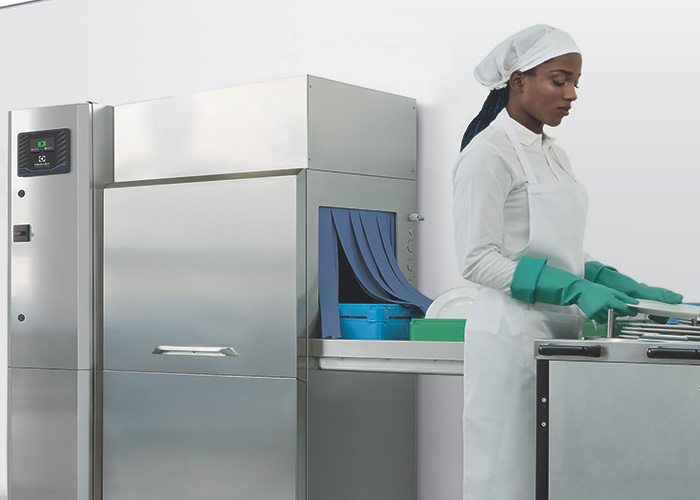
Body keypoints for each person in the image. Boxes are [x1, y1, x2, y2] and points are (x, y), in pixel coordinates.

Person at [452, 24, 683, 500]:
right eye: (559, 80)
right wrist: (573, 288)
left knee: (555, 472)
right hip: (509, 337)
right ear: (518, 81)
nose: (572, 94)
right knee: (508, 473)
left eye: (576, 82)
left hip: (560, 335)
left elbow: (560, 245)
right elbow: (476, 260)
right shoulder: (487, 155)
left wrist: (612, 279)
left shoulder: (555, 155)